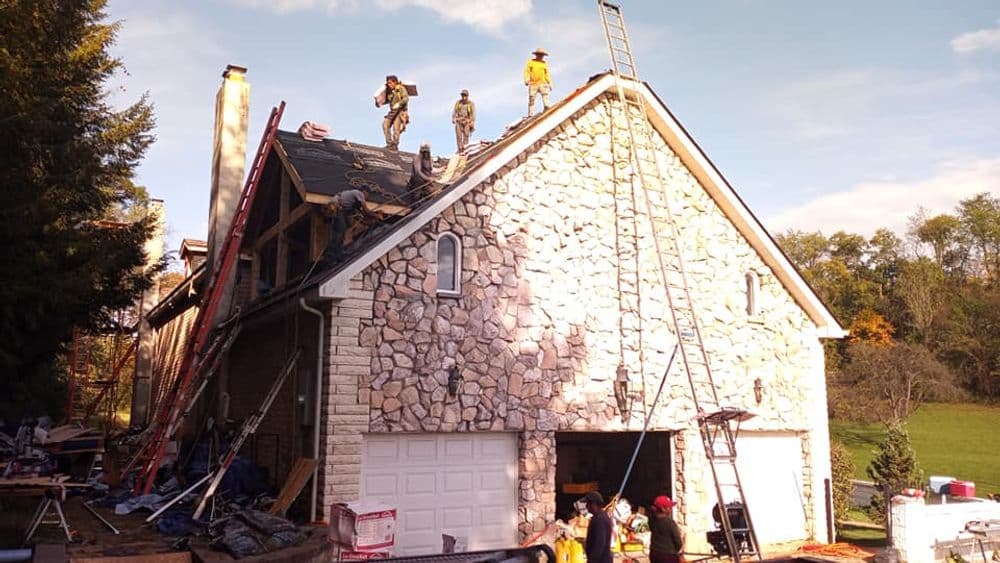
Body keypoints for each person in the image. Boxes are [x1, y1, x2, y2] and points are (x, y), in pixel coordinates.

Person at [322, 189, 376, 263]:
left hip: (339, 209)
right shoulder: (359, 193)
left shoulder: (353, 202)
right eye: (367, 195)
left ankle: (337, 253)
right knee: (340, 230)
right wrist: (376, 215)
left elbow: (361, 215)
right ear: (365, 192)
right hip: (336, 207)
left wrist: (369, 221)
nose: (367, 198)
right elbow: (366, 210)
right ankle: (330, 254)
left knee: (344, 229)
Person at [649, 495, 683, 563]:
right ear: (663, 509)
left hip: (654, 553)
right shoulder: (670, 523)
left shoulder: (652, 521)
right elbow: (678, 542)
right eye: (669, 507)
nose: (671, 509)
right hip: (668, 556)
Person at [582, 491, 613, 563]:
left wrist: (592, 561)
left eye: (588, 504)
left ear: (594, 504)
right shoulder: (600, 516)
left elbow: (599, 544)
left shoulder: (599, 520)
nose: (586, 506)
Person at [382, 75, 409, 150]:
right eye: (388, 83)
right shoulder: (389, 91)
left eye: (390, 83)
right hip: (392, 111)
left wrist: (399, 103)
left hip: (400, 111)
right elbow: (386, 101)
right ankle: (389, 143)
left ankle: (394, 145)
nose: (389, 84)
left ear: (395, 82)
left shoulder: (400, 88)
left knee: (396, 128)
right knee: (385, 125)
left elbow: (406, 98)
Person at [524, 47, 552, 117]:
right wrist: (526, 79)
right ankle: (530, 114)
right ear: (536, 55)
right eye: (539, 55)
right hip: (533, 83)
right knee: (532, 98)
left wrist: (549, 82)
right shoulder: (531, 62)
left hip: (543, 82)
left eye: (542, 55)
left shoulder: (544, 63)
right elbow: (527, 71)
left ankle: (547, 107)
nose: (541, 56)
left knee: (545, 95)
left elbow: (547, 74)